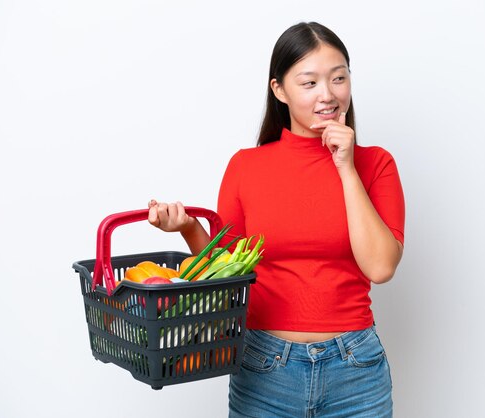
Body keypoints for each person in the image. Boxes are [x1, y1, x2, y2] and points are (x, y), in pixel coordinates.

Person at [148, 21, 405, 418]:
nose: (328, 95)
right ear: (279, 90)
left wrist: (346, 168)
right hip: (265, 369)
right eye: (309, 83)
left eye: (338, 79)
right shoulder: (246, 167)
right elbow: (228, 276)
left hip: (355, 371)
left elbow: (380, 265)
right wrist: (188, 228)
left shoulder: (375, 164)